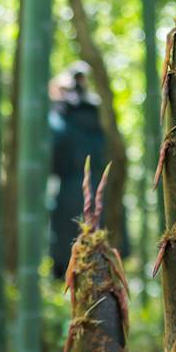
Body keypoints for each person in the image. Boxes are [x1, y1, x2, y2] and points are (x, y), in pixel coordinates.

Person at [48, 62, 108, 279]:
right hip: (97, 187)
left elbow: (54, 156)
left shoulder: (59, 118)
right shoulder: (96, 113)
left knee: (67, 251)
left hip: (69, 188)